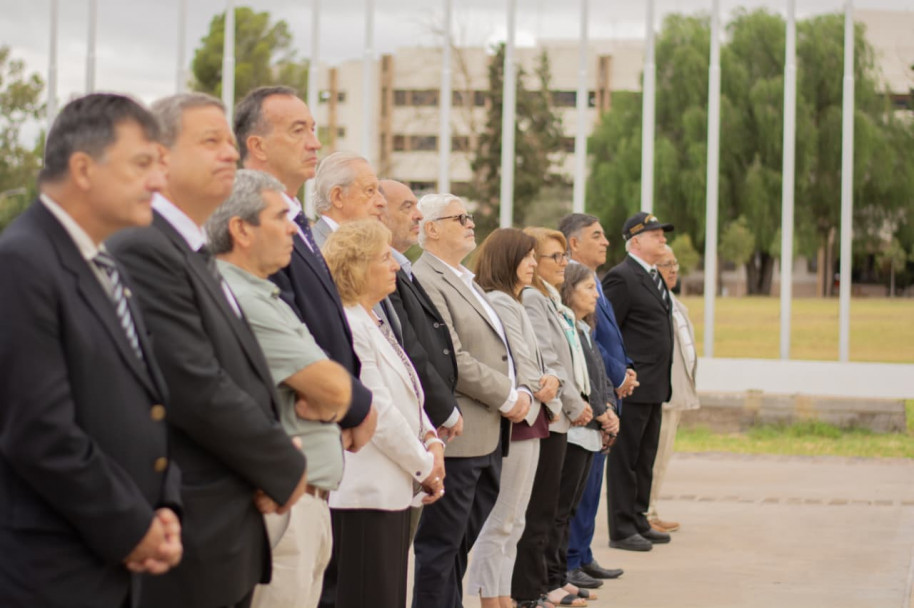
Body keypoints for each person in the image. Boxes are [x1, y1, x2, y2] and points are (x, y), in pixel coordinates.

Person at [109, 93, 308, 608]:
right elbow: (191, 380)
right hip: (191, 531)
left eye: (229, 140)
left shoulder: (190, 250)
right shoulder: (142, 246)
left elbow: (234, 372)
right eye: (210, 140)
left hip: (225, 524)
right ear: (160, 157)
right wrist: (278, 464)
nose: (229, 152)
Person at [0, 93, 182, 607]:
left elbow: (146, 403)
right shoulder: (22, 263)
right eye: (142, 163)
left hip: (111, 562)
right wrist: (132, 527)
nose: (158, 181)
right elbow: (40, 431)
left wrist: (164, 507)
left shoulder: (105, 267)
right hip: (53, 571)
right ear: (83, 168)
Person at [207, 169, 354, 608]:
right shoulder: (240, 297)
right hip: (285, 506)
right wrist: (333, 400)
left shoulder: (264, 293)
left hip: (308, 499)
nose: (294, 226)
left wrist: (331, 397)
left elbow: (331, 386)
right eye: (279, 216)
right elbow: (333, 386)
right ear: (241, 229)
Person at [234, 85, 377, 455]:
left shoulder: (296, 221)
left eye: (313, 130)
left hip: (322, 433)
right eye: (298, 131)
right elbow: (288, 329)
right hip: (288, 441)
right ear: (258, 145)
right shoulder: (249, 224)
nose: (314, 143)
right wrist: (355, 407)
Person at [411, 194, 532, 608]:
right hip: (461, 434)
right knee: (441, 550)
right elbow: (452, 356)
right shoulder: (426, 278)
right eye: (459, 217)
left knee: (459, 548)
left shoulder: (465, 277)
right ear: (431, 229)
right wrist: (506, 395)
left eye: (469, 215)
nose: (470, 223)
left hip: (489, 433)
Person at [322, 219, 446, 608]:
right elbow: (379, 409)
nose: (395, 265)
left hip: (391, 488)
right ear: (357, 266)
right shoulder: (349, 324)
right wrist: (426, 466)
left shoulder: (373, 318)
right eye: (384, 258)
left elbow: (409, 388)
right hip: (364, 494)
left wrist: (432, 439)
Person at [466, 229, 558, 608]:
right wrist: (543, 384)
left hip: (531, 414)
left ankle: (501, 594)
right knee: (503, 518)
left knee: (515, 520)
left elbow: (534, 361)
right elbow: (521, 362)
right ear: (506, 259)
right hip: (518, 417)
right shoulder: (501, 302)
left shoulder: (514, 301)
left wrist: (549, 379)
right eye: (527, 257)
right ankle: (491, 599)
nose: (534, 264)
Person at [513, 228, 595, 608]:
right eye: (554, 257)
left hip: (562, 413)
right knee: (542, 509)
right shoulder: (532, 298)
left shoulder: (549, 299)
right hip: (553, 413)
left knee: (553, 508)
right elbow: (548, 356)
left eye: (565, 257)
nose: (564, 264)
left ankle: (548, 581)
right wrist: (574, 404)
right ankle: (535, 588)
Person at [379, 180, 461, 540]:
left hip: (425, 426)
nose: (417, 214)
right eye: (407, 207)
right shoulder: (393, 273)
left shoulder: (404, 268)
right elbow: (410, 348)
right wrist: (444, 410)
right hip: (409, 428)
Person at [559, 213, 634, 575]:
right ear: (573, 243)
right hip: (593, 396)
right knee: (580, 485)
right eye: (597, 236)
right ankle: (571, 560)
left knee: (592, 486)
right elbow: (585, 342)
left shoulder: (595, 281)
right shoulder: (571, 280)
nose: (606, 242)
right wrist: (618, 377)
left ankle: (583, 555)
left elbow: (610, 338)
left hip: (607, 389)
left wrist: (627, 368)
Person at [602, 211, 676, 552]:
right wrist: (619, 374)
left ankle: (638, 517)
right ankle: (621, 528)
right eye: (655, 235)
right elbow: (606, 333)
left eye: (662, 234)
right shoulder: (622, 278)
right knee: (626, 459)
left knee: (645, 456)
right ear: (636, 242)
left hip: (655, 385)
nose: (662, 239)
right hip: (632, 385)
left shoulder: (653, 276)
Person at [648, 244, 700, 533]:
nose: (673, 270)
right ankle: (647, 511)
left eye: (675, 264)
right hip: (659, 394)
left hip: (674, 394)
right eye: (666, 265)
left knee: (663, 457)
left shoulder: (674, 303)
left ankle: (652, 507)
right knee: (653, 458)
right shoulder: (656, 302)